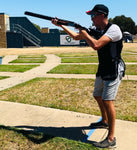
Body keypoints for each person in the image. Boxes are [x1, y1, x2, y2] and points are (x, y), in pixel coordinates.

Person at [51, 4, 125, 149]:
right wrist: (61, 25)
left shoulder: (114, 29)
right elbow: (75, 36)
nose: (91, 19)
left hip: (114, 69)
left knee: (107, 100)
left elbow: (96, 45)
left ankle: (111, 139)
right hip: (103, 67)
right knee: (97, 95)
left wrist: (85, 34)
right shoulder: (96, 30)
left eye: (93, 16)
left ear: (102, 16)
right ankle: (104, 121)